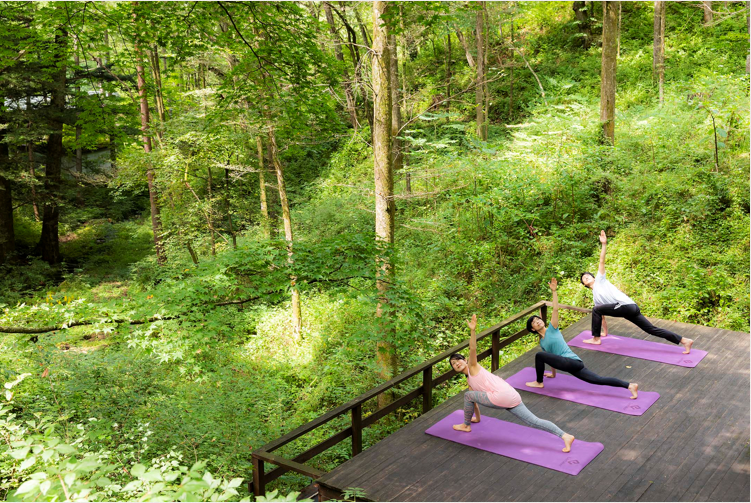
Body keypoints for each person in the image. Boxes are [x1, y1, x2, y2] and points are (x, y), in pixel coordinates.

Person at [450, 314, 576, 453]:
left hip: (500, 396)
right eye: (454, 364)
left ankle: (465, 425)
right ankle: (565, 435)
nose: (457, 364)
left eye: (458, 360)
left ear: (465, 360)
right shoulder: (470, 380)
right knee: (533, 421)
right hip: (511, 395)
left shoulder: (473, 366)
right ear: (454, 370)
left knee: (468, 395)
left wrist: (473, 331)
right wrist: (477, 418)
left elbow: (472, 349)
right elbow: (474, 402)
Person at [580, 230, 693, 354]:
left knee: (596, 309)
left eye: (588, 275)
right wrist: (605, 333)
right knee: (651, 329)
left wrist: (604, 244)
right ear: (585, 285)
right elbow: (601, 318)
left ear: (594, 277)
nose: (586, 277)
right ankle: (684, 340)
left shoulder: (600, 280)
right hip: (629, 308)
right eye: (584, 278)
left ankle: (596, 339)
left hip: (626, 306)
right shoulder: (596, 298)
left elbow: (602, 261)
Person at [525, 277, 639, 399]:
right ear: (533, 329)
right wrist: (553, 374)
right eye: (534, 322)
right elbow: (551, 356)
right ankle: (630, 385)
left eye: (538, 319)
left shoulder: (552, 329)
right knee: (597, 380)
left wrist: (554, 291)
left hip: (573, 362)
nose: (538, 322)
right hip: (570, 365)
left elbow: (555, 309)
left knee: (539, 355)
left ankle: (539, 382)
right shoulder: (542, 341)